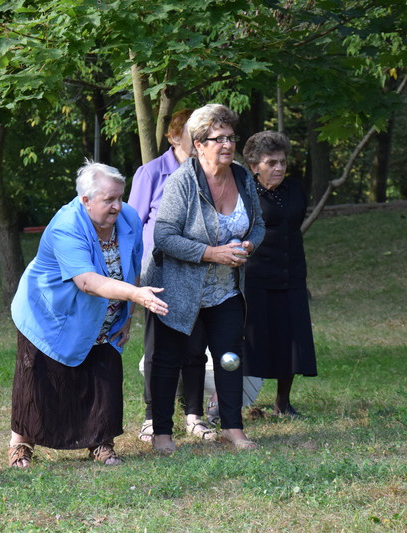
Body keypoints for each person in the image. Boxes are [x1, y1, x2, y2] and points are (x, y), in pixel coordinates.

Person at [7, 160, 168, 468]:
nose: (118, 206)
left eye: (120, 197)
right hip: (52, 313)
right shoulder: (67, 225)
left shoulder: (129, 219)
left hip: (106, 314)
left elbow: (131, 267)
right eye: (109, 200)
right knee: (38, 381)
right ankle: (21, 445)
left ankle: (101, 444)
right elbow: (86, 281)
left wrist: (129, 313)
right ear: (86, 200)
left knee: (103, 376)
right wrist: (135, 295)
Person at [143, 103, 265, 454]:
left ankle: (232, 428)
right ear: (198, 144)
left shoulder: (242, 176)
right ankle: (162, 433)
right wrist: (212, 253)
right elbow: (163, 237)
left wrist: (248, 244)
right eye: (218, 138)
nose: (227, 145)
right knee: (169, 358)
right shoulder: (183, 180)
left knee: (229, 354)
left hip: (225, 288)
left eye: (230, 137)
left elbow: (257, 223)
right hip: (178, 286)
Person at [128, 109, 215, 443]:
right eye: (192, 135)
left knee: (196, 346)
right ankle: (153, 418)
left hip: (199, 271)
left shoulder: (207, 173)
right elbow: (133, 225)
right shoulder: (151, 172)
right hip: (160, 273)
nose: (197, 142)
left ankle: (194, 415)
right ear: (173, 136)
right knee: (159, 347)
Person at [242, 131, 317, 417]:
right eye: (271, 162)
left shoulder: (295, 189)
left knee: (292, 338)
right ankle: (230, 402)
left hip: (292, 273)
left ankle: (282, 403)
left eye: (283, 162)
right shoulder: (244, 192)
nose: (279, 168)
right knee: (253, 341)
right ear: (254, 165)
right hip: (256, 276)